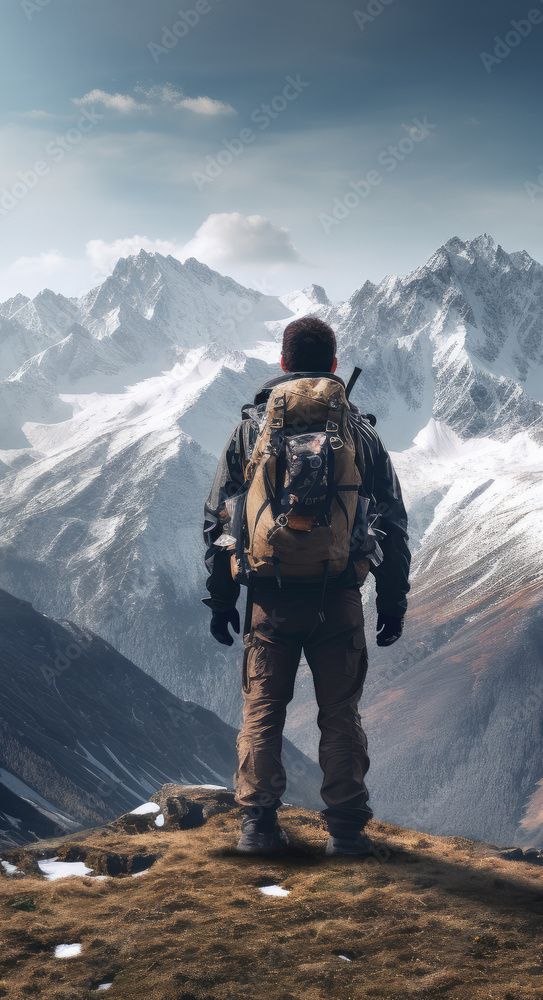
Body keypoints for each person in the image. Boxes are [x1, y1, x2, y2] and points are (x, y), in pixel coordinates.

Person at [202, 316, 411, 856]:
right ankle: (345, 832)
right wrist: (392, 600)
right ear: (335, 364)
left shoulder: (252, 430)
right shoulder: (359, 432)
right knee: (339, 713)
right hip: (339, 597)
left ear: (282, 362)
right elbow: (391, 519)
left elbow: (220, 520)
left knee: (264, 710)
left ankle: (257, 827)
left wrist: (223, 600)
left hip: (268, 599)